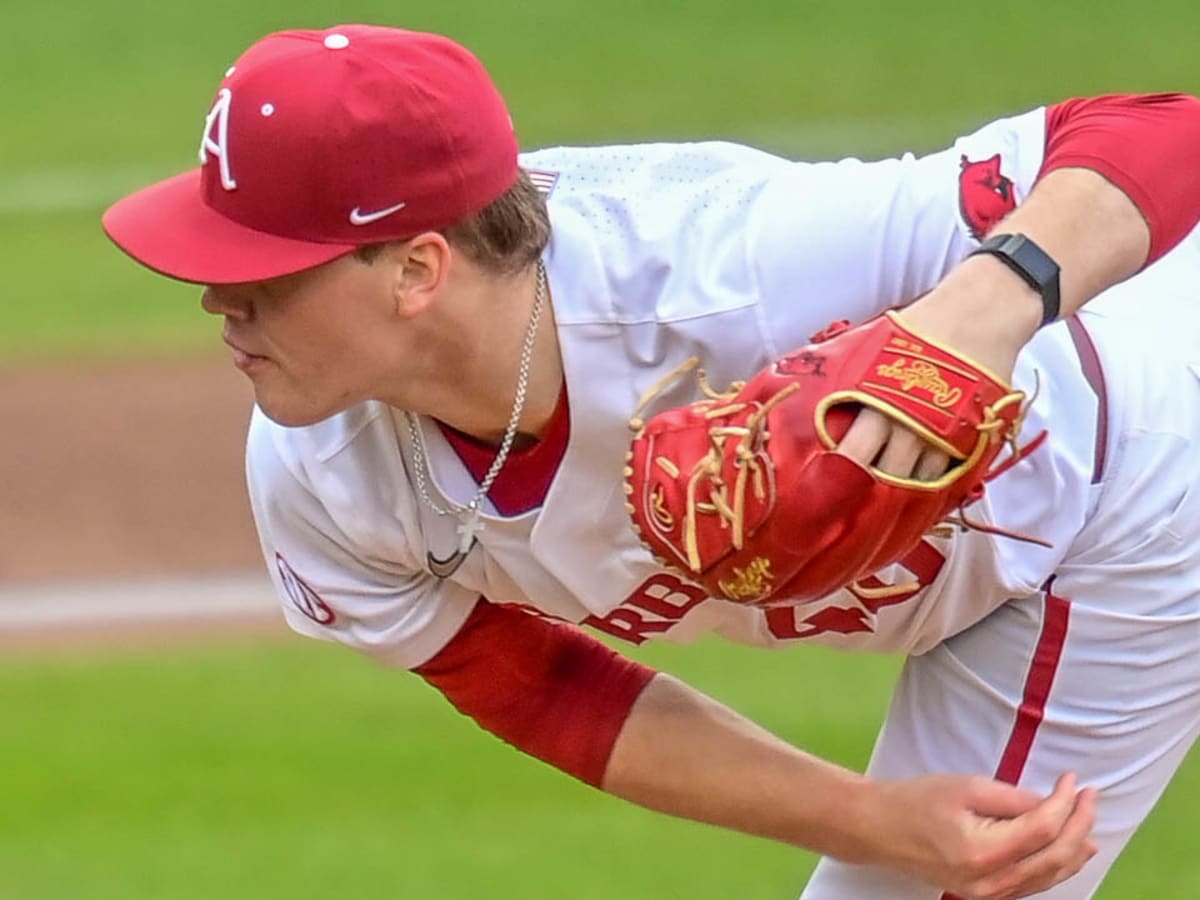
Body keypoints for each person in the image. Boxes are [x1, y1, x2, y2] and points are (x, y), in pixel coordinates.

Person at [100, 24, 1200, 899]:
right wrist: (864, 816)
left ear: (417, 269)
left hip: (1127, 498)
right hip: (1001, 579)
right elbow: (529, 681)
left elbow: (1161, 131)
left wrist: (969, 321)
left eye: (267, 269)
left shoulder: (717, 263)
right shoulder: (319, 470)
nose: (215, 298)